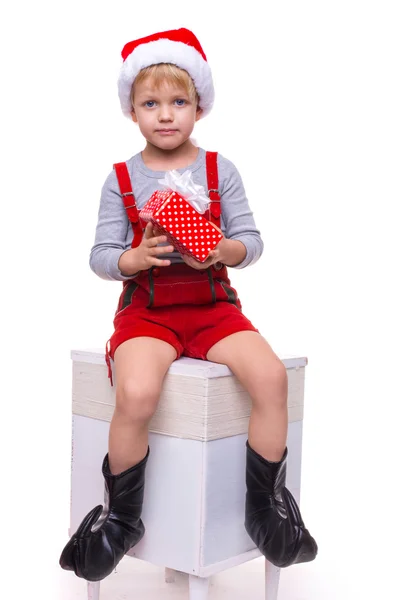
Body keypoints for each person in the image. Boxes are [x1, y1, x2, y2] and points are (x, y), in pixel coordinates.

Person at [59, 28, 317, 582]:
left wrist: (222, 249)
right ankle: (121, 517)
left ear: (199, 106)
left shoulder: (221, 170)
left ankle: (264, 509)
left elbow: (253, 242)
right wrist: (134, 257)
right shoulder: (121, 178)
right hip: (147, 312)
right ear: (132, 111)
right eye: (151, 103)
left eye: (179, 102)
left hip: (213, 307)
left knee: (272, 378)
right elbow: (100, 255)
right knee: (136, 391)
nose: (166, 115)